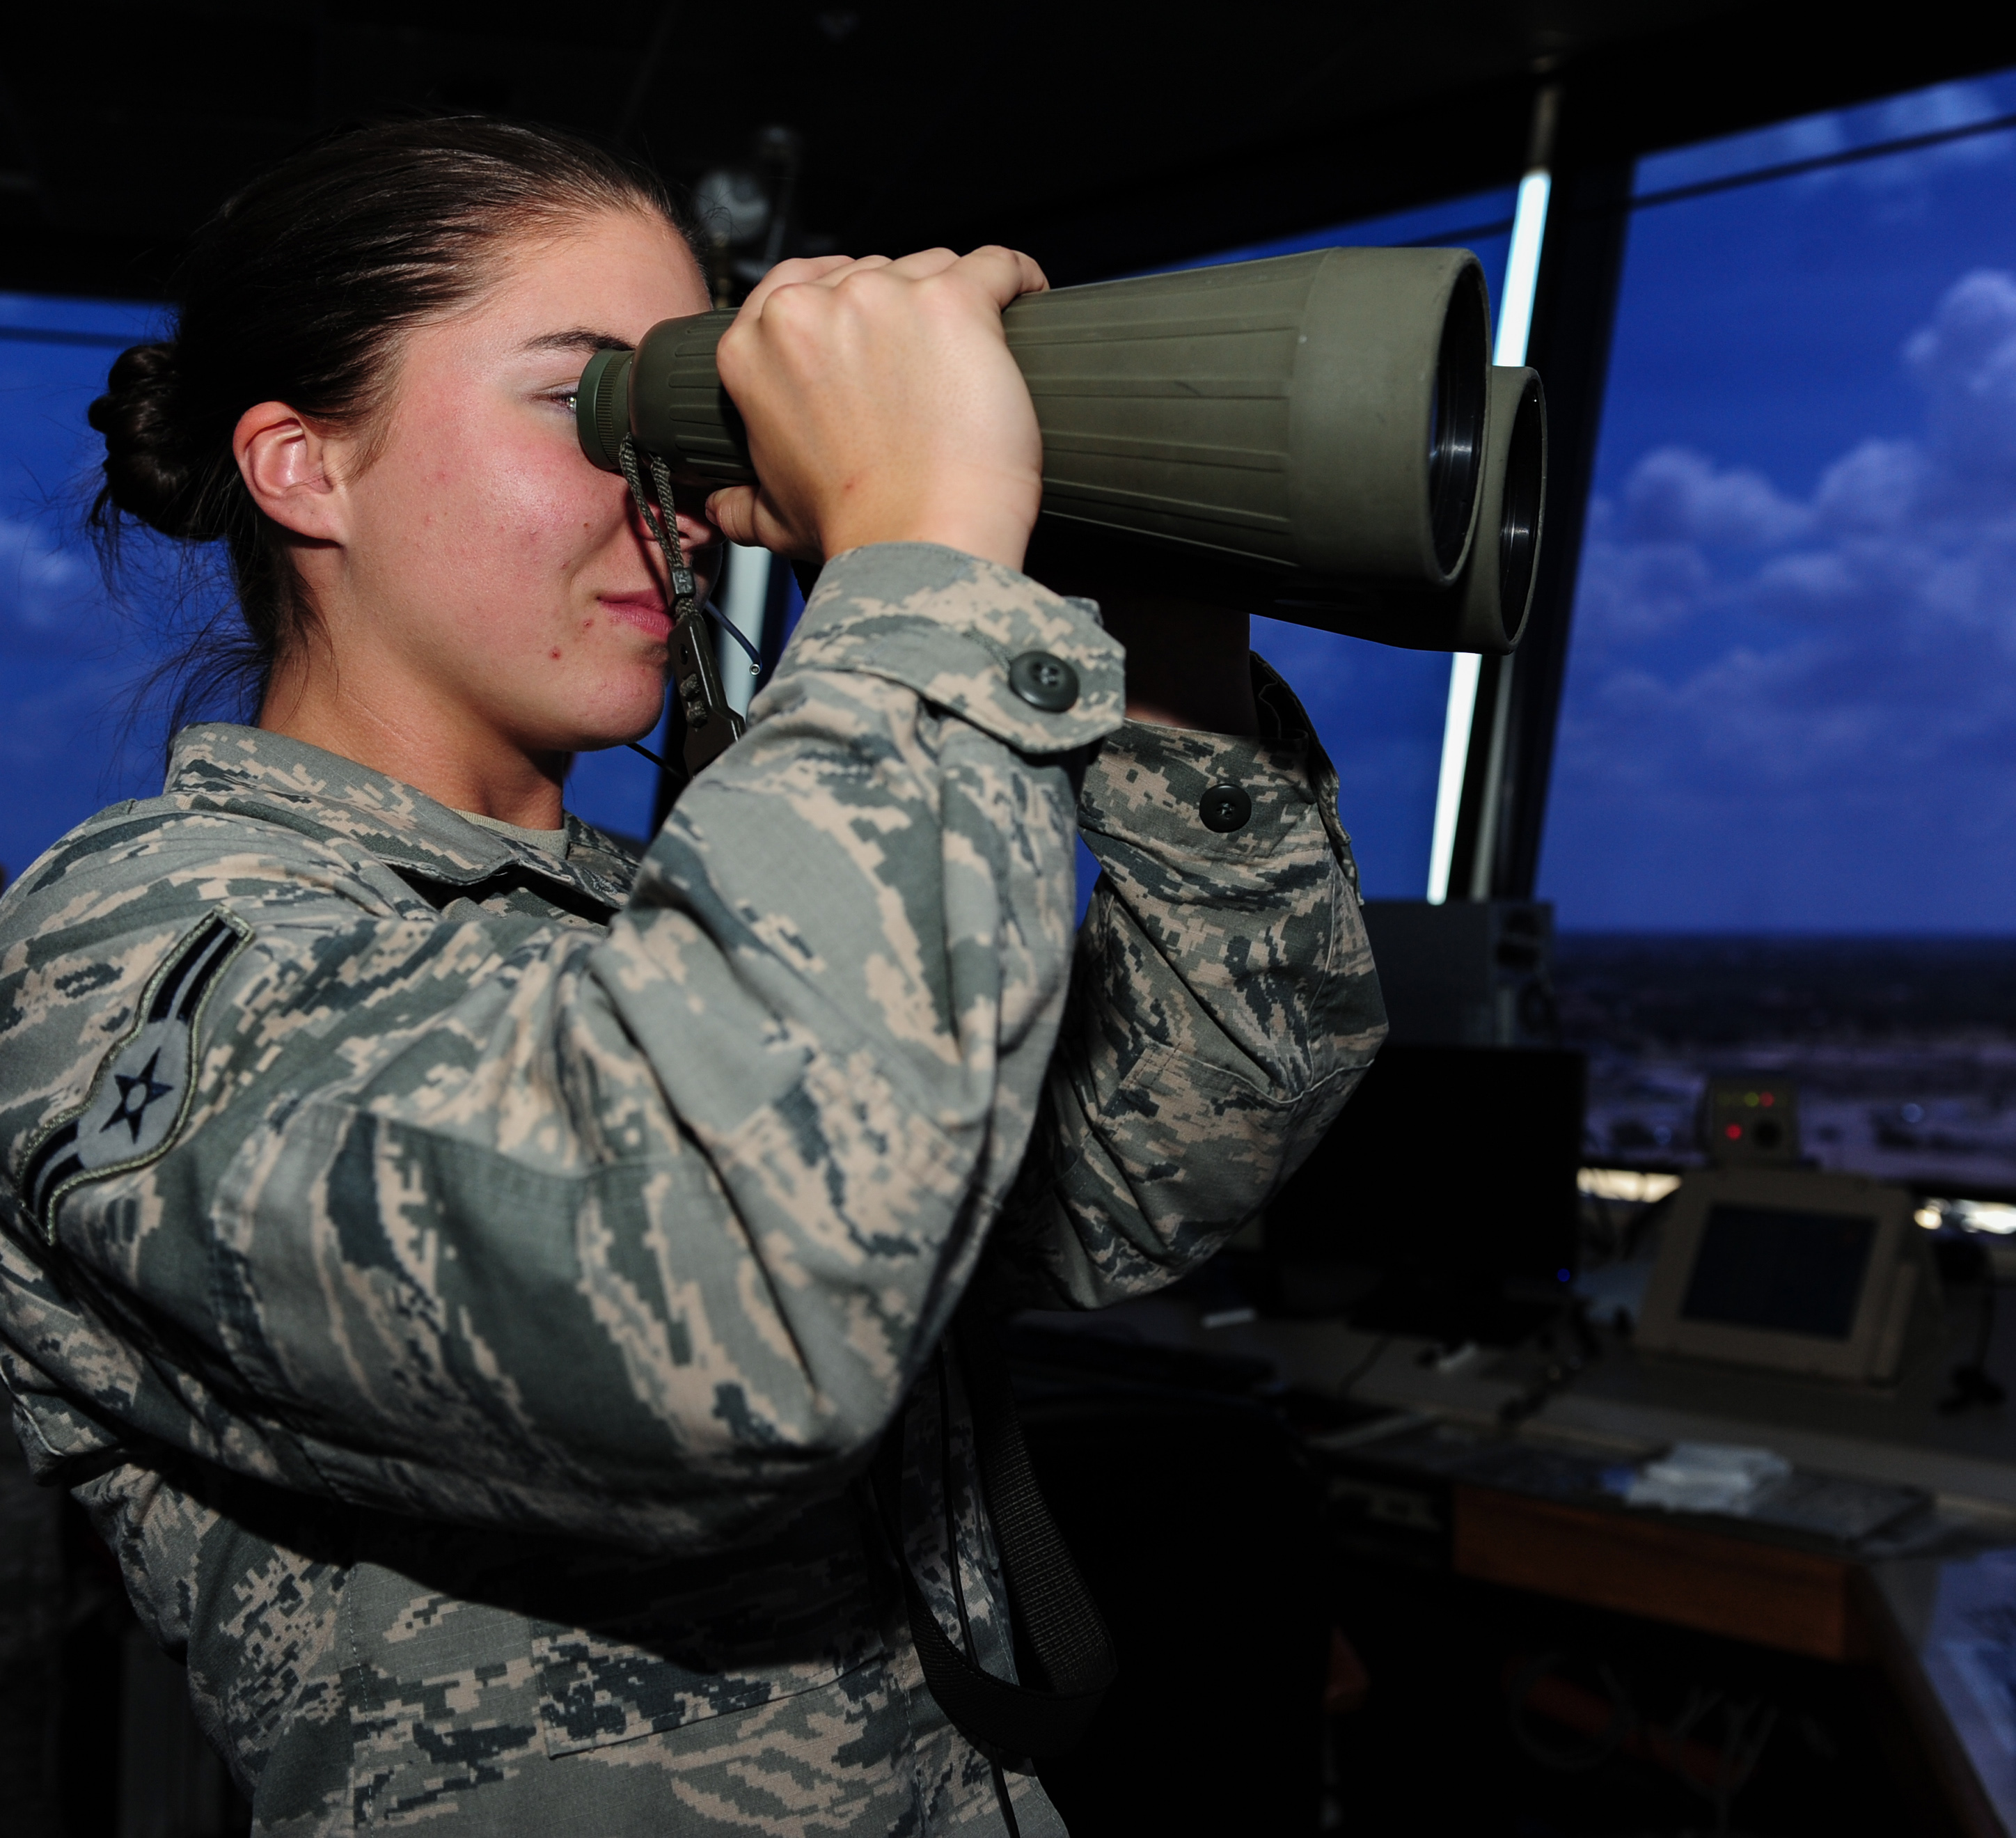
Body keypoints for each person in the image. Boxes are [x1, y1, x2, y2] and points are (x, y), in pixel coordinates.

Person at [0, 117, 1385, 1836]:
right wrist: (917, 574)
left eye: (680, 416)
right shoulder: (119, 957)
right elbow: (724, 1315)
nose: (664, 503)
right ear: (303, 467)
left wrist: (1157, 635)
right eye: (591, 403)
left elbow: (1146, 1163)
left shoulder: (676, 914)